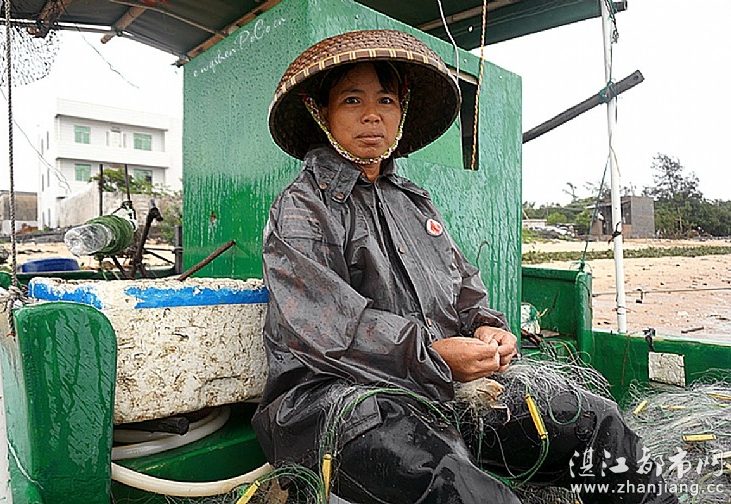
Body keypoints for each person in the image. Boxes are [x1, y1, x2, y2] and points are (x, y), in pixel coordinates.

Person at [253, 29, 677, 504]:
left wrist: (487, 328)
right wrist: (433, 356)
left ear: (401, 111)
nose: (372, 114)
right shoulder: (302, 206)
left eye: (386, 100)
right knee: (457, 482)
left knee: (595, 422)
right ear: (321, 112)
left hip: (439, 391)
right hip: (333, 405)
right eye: (353, 100)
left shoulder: (413, 203)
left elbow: (463, 287)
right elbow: (329, 328)